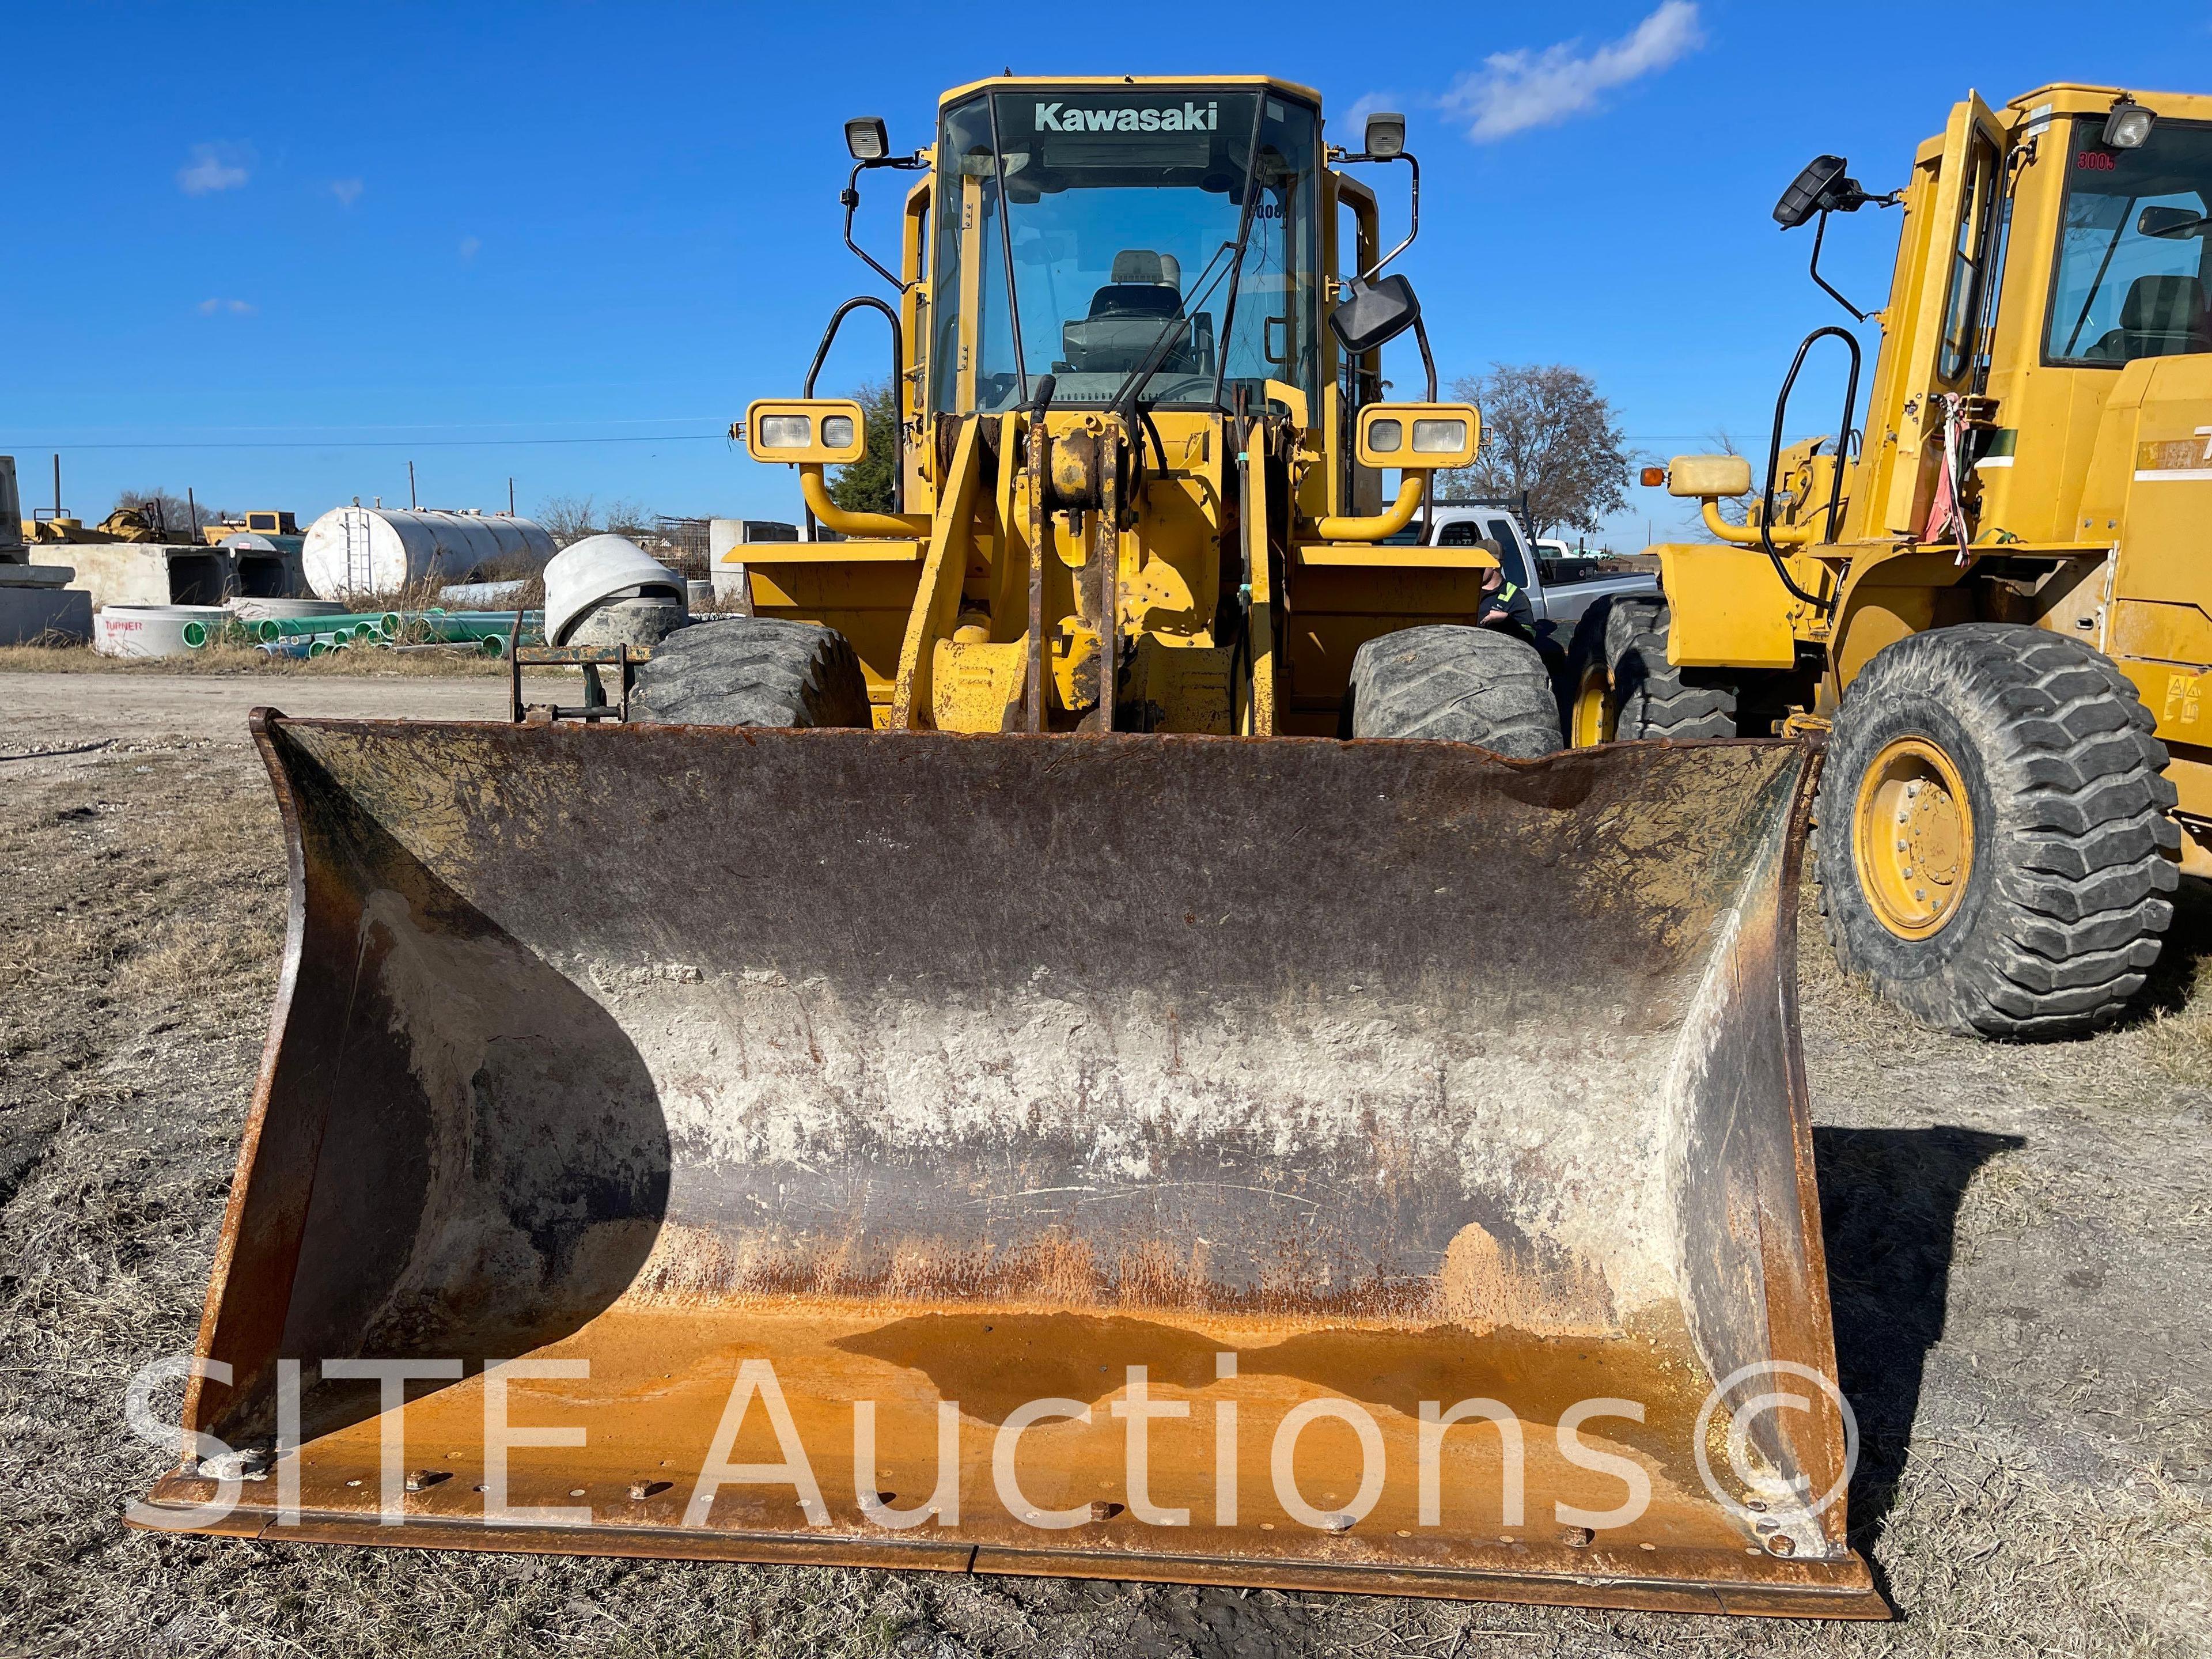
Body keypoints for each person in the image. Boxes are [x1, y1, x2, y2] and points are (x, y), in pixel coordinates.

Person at [1475, 540, 1535, 643]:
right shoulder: (1463, 590)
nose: (1473, 567)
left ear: (1495, 564)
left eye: (1478, 562)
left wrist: (1506, 621)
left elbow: (1529, 638)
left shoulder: (1516, 598)